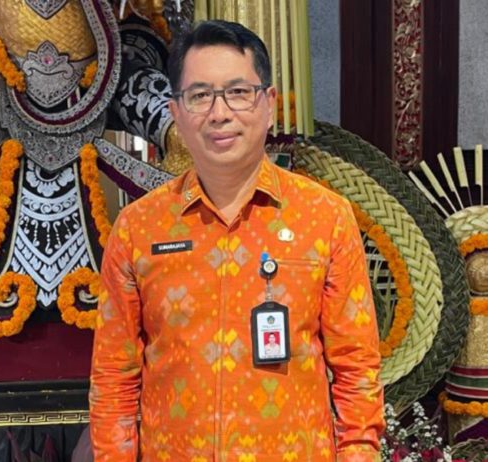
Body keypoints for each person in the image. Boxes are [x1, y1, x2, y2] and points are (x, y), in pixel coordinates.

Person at [89, 19, 384, 461]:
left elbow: (357, 371)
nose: (219, 113)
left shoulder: (326, 219)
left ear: (269, 104)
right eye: (200, 96)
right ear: (175, 113)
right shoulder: (139, 229)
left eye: (238, 92)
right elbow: (114, 378)